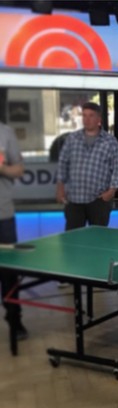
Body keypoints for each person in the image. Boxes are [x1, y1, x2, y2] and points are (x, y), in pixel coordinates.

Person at [56, 102, 118, 231]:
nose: (86, 119)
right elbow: (63, 163)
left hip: (99, 200)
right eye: (84, 115)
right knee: (73, 239)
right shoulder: (72, 139)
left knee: (98, 238)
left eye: (91, 115)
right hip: (74, 199)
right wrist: (60, 188)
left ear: (99, 119)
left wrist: (111, 192)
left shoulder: (110, 142)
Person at [0, 120, 27, 339]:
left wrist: (2, 168)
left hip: (3, 215)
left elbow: (19, 169)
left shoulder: (5, 132)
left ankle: (14, 319)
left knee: (9, 271)